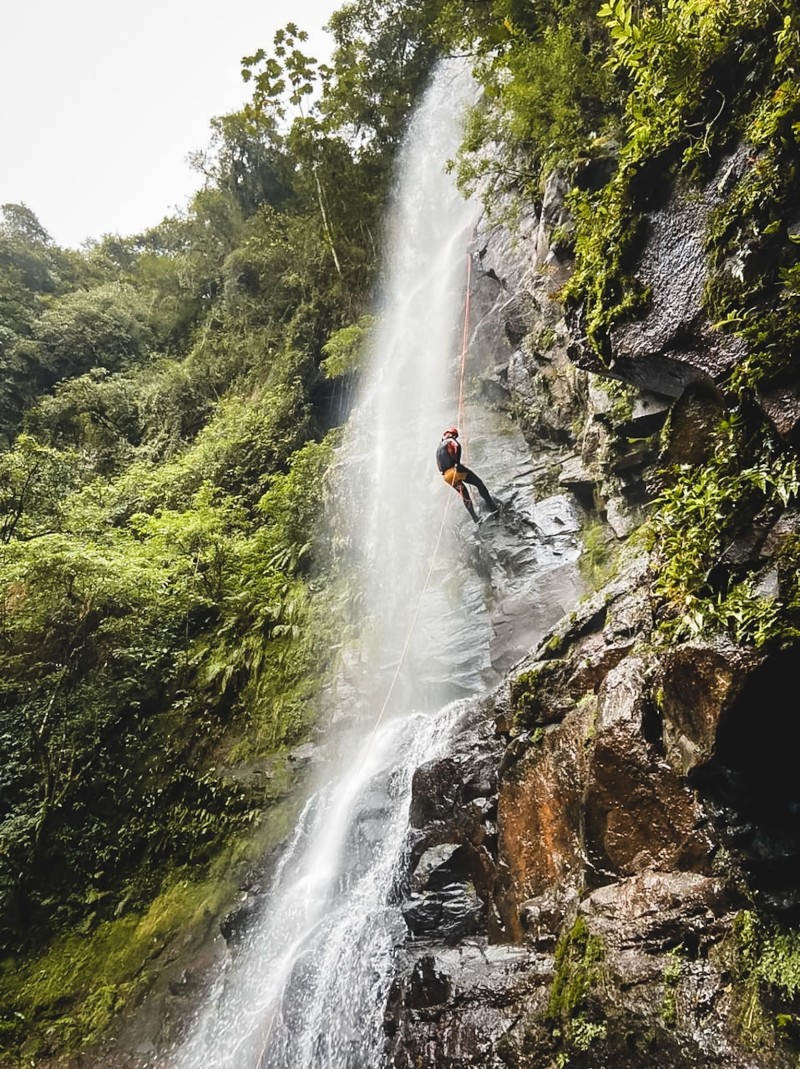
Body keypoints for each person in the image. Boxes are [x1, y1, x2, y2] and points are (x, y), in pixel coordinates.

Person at [436, 427, 498, 524]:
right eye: (455, 435)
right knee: (478, 483)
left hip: (447, 477)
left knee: (465, 495)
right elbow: (457, 445)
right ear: (451, 434)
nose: (455, 437)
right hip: (455, 470)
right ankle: (492, 506)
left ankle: (475, 518)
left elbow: (439, 467)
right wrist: (457, 462)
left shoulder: (438, 449)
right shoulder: (450, 440)